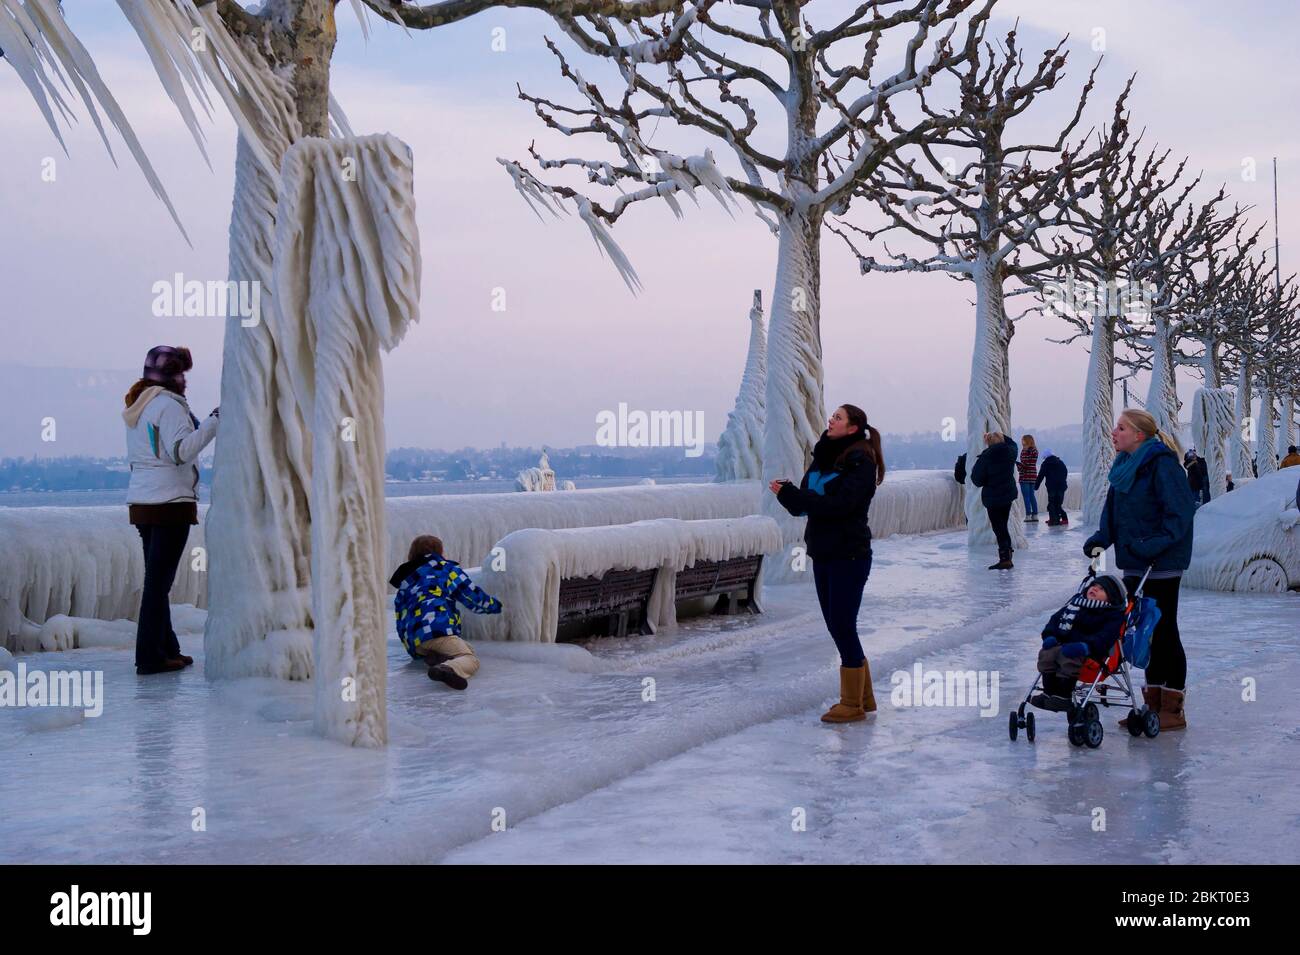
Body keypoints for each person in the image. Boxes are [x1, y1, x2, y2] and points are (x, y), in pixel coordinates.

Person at [771, 404, 884, 724]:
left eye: (838, 417)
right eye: (832, 416)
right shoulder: (823, 456)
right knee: (837, 624)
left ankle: (852, 704)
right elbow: (806, 506)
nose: (830, 421)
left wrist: (800, 497)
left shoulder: (861, 461)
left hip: (850, 553)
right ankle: (864, 697)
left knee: (843, 624)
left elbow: (841, 505)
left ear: (852, 428)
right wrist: (787, 495)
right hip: (823, 552)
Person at [1084, 409, 1195, 731]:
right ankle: (1152, 704)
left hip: (1162, 563)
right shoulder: (1123, 468)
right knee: (1143, 632)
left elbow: (1180, 514)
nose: (1114, 433)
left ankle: (1173, 708)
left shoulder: (1162, 465)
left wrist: (1150, 546)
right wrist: (1100, 540)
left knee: (1163, 630)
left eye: (1121, 428)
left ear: (1139, 435)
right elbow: (1113, 514)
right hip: (1134, 562)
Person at [123, 346, 218, 675]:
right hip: (169, 505)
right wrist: (214, 422)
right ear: (171, 377)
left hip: (144, 505)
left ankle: (166, 648)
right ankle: (149, 657)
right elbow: (180, 452)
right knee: (157, 585)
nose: (185, 381)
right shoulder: (169, 406)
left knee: (155, 581)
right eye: (181, 374)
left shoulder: (141, 405)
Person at [389, 534, 502, 689]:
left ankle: (438, 658)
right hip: (437, 630)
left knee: (467, 647)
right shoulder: (444, 568)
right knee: (469, 659)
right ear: (440, 551)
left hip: (415, 641)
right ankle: (448, 668)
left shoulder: (406, 582)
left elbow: (400, 619)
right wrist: (497, 606)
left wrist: (412, 649)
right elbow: (471, 596)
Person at [1030, 574, 1127, 712]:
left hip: (1090, 653)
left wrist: (1086, 646)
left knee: (1068, 657)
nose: (1094, 589)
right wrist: (1049, 636)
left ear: (1111, 598)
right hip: (1064, 646)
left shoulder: (1111, 615)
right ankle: (1049, 692)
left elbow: (1105, 637)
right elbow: (1055, 621)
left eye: (1101, 589)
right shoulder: (1075, 605)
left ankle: (1063, 698)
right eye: (1093, 585)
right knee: (1047, 654)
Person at [970, 431, 1019, 570]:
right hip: (1007, 495)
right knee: (1003, 525)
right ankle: (1007, 555)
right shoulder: (1010, 452)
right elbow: (1013, 444)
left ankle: (1005, 559)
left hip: (993, 497)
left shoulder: (986, 457)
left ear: (988, 443)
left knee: (999, 528)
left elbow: (977, 480)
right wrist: (1002, 436)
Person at [1035, 448, 1069, 526]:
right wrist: (1063, 481)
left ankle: (1054, 520)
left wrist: (1036, 486)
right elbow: (1065, 472)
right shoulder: (1060, 462)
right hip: (1061, 486)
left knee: (1052, 503)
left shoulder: (1045, 464)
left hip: (1052, 487)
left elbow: (1040, 476)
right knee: (1058, 503)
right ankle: (1060, 519)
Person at [1017, 434, 1040, 522]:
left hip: (1025, 476)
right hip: (1033, 476)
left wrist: (1017, 465)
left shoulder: (1024, 451)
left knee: (1026, 497)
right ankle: (1035, 515)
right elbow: (1030, 463)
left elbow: (1025, 464)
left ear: (1026, 441)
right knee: (1032, 496)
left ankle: (1028, 515)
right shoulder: (1035, 451)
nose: (1021, 441)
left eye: (1023, 440)